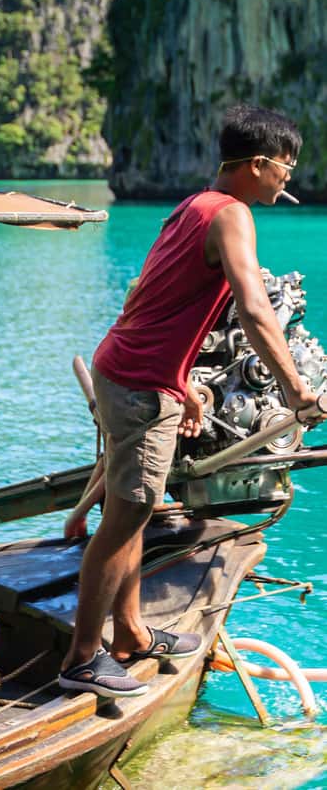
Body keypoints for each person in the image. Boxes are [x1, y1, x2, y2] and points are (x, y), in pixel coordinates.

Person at [58, 104, 324, 698]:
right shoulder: (230, 216)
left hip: (135, 372)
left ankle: (128, 633)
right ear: (258, 164)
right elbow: (255, 309)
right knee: (124, 517)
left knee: (136, 510)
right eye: (286, 167)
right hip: (138, 384)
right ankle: (80, 658)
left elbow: (145, 298)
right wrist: (297, 391)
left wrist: (183, 384)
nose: (289, 179)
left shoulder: (192, 206)